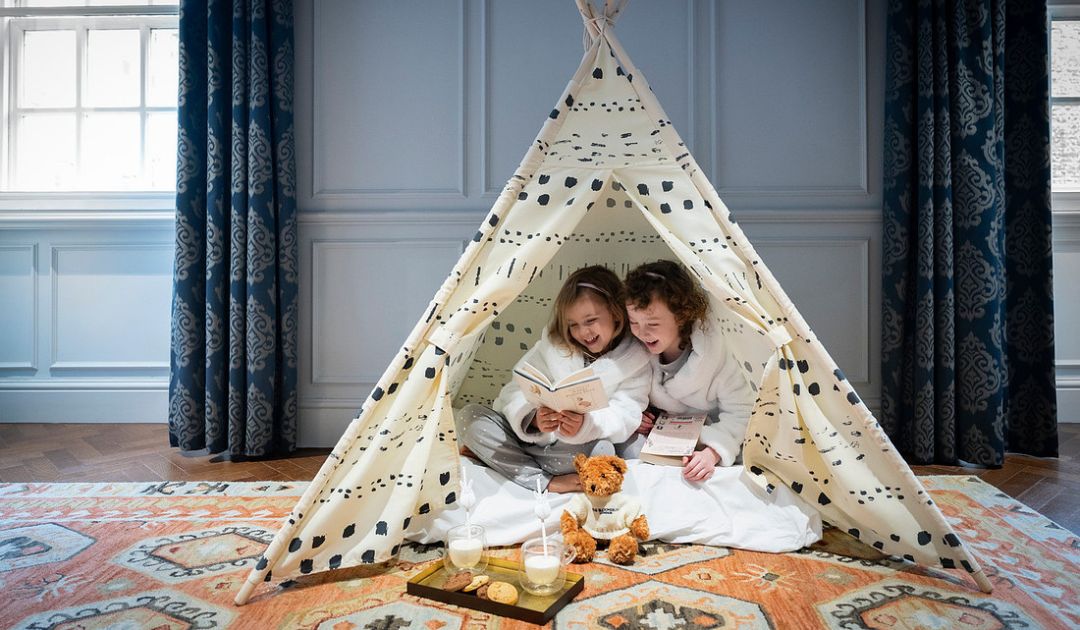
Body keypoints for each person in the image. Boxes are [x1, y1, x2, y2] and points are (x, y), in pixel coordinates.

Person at [459, 265, 651, 493]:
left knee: (603, 452)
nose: (583, 332)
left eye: (590, 321)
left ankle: (502, 461)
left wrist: (585, 425)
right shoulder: (553, 347)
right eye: (573, 325)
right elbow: (513, 391)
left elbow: (627, 414)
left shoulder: (634, 360)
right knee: (469, 417)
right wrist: (532, 419)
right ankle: (545, 481)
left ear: (616, 312)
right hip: (530, 440)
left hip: (570, 450)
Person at [620, 259, 754, 482]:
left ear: (681, 316)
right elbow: (626, 391)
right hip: (661, 438)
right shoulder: (637, 352)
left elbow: (741, 412)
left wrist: (713, 452)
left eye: (652, 324)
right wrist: (636, 413)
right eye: (634, 322)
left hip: (707, 441)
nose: (642, 333)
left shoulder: (717, 355)